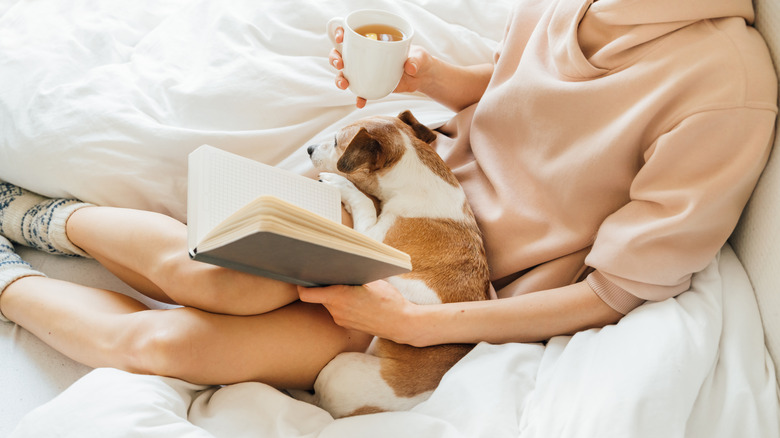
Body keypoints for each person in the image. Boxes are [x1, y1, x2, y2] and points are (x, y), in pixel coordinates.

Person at [0, 0, 776, 391]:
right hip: (399, 205)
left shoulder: (726, 87)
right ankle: (37, 218)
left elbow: (616, 290)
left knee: (174, 346)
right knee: (217, 275)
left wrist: (420, 317)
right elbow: (509, 84)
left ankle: (7, 276)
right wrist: (427, 78)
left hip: (458, 288)